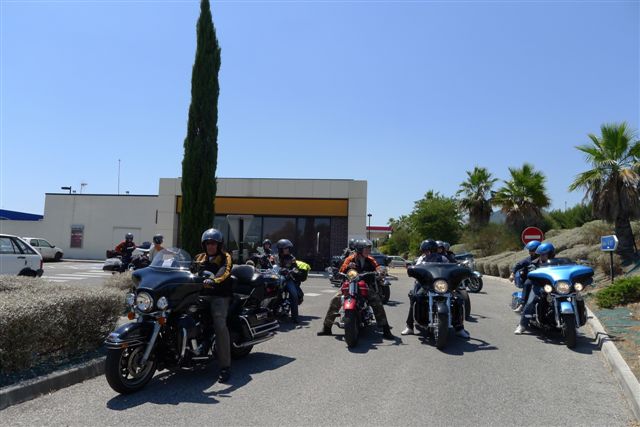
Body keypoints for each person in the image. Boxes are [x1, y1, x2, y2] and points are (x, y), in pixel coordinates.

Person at [317, 238, 394, 339]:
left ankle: (386, 330)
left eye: (369, 249)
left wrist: (380, 271)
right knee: (335, 300)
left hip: (364, 285)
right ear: (359, 250)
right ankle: (326, 328)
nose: (368, 251)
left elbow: (377, 267)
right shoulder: (350, 259)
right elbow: (342, 269)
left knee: (377, 302)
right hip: (350, 284)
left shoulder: (370, 259)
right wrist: (348, 266)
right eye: (366, 249)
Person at [402, 239, 472, 337]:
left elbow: (451, 267)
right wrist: (412, 269)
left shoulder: (443, 259)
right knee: (415, 298)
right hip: (426, 284)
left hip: (440, 284)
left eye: (428, 250)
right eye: (425, 250)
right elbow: (416, 268)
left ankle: (459, 328)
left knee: (457, 300)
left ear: (434, 250)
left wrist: (460, 269)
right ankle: (409, 326)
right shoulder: (422, 259)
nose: (427, 252)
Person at [193, 228, 233, 382]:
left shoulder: (225, 257)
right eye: (208, 243)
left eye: (213, 243)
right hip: (201, 294)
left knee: (219, 324)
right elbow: (189, 270)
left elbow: (225, 271)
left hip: (219, 295)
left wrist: (214, 280)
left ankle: (225, 366)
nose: (210, 246)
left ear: (219, 245)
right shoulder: (199, 257)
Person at [514, 242, 555, 335]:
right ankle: (522, 325)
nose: (541, 256)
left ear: (551, 254)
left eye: (544, 254)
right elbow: (531, 271)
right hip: (539, 286)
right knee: (530, 302)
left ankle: (572, 324)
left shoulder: (557, 262)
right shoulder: (535, 263)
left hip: (554, 287)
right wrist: (532, 273)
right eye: (541, 254)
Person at [275, 239, 305, 325]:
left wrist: (293, 270)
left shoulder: (292, 258)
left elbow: (295, 267)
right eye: (285, 248)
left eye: (288, 248)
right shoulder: (276, 257)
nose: (287, 249)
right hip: (277, 278)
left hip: (288, 279)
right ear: (281, 249)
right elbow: (273, 266)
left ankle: (295, 317)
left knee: (294, 295)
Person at [509, 240, 541, 313]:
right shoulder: (528, 260)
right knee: (527, 283)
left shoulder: (545, 258)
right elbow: (518, 265)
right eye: (529, 250)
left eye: (532, 250)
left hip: (544, 279)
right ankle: (522, 305)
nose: (530, 252)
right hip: (533, 279)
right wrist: (512, 274)